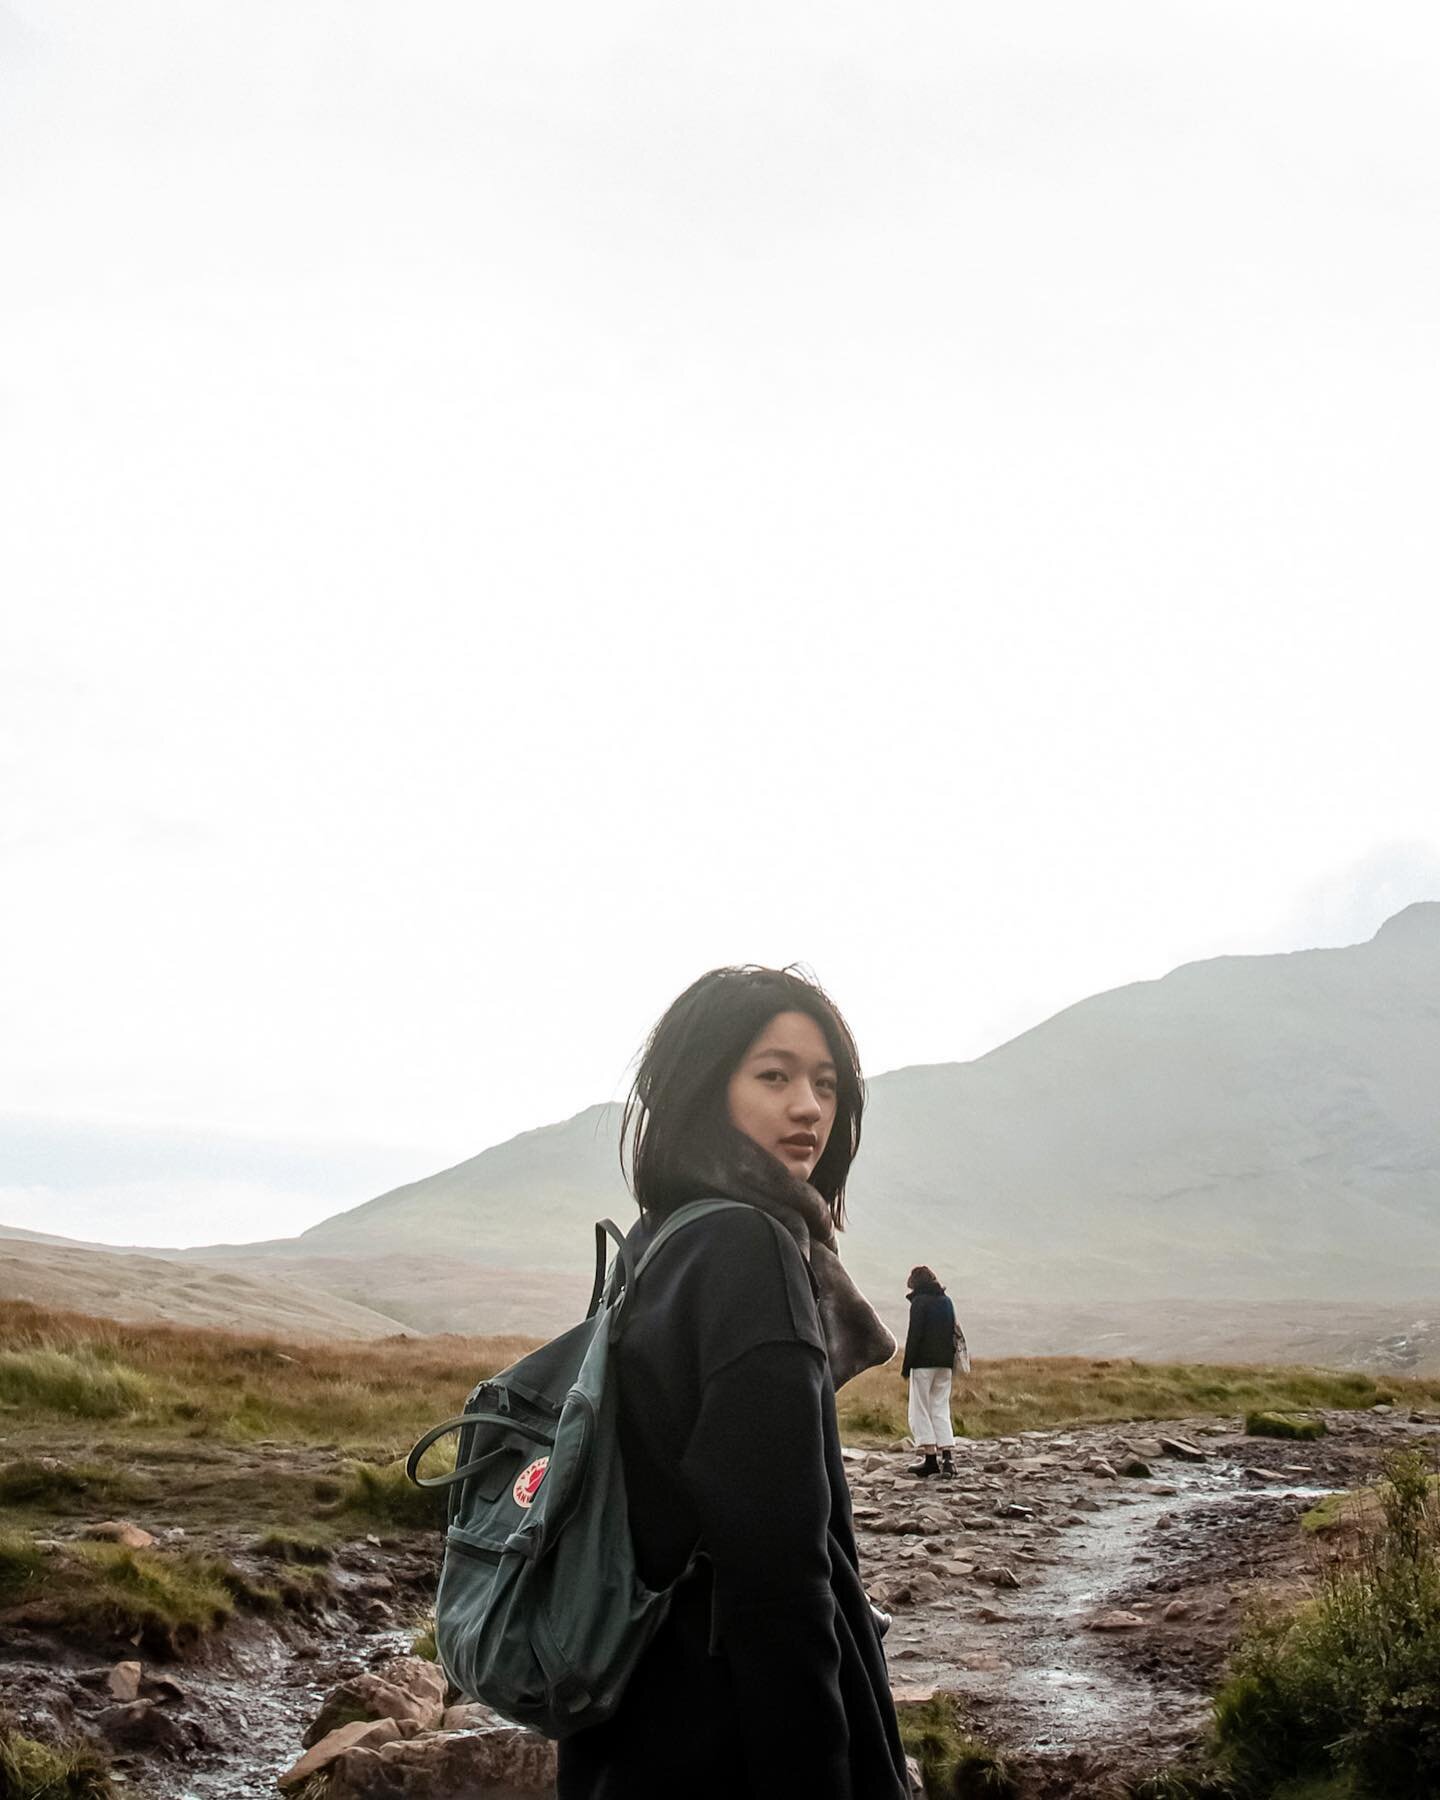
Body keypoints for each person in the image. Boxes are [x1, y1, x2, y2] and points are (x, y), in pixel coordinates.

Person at [556, 965, 911, 1800]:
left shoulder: (660, 1241)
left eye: (826, 1084)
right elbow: (780, 1578)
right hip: (725, 1738)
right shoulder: (748, 1252)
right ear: (704, 1086)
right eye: (774, 1075)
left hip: (633, 1720)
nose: (808, 1109)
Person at [901, 1264, 957, 1479]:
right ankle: (948, 1458)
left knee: (920, 1409)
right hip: (945, 1364)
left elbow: (914, 1336)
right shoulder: (946, 1301)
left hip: (923, 1363)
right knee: (940, 1408)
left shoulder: (919, 1303)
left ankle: (930, 1458)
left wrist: (907, 1366)